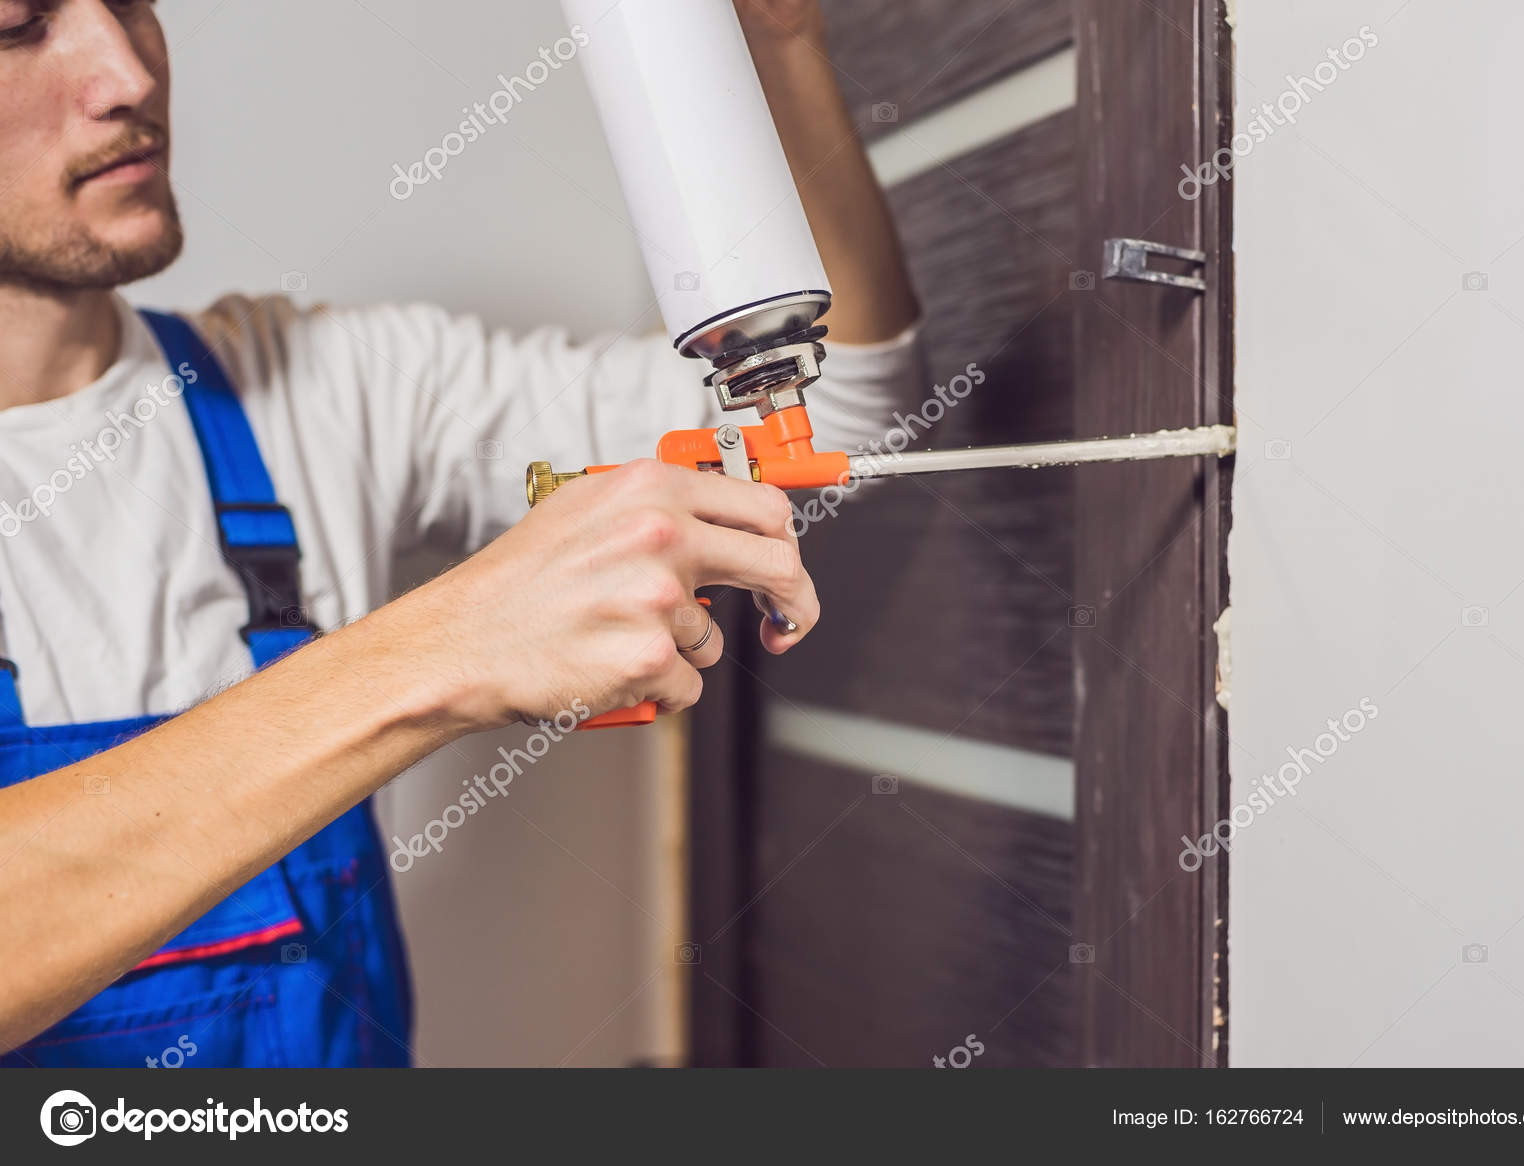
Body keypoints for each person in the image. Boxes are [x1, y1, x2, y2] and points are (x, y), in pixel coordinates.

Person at [0, 0, 921, 1066]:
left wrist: (776, 43)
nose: (125, 74)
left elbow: (833, 414)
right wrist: (443, 650)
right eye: (17, 25)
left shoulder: (305, 389)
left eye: (127, 1)